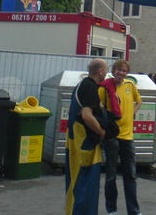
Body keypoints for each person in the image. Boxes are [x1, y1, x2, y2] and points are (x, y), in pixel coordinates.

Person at [99, 60, 142, 215]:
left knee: (130, 175)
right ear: (113, 71)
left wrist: (133, 111)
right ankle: (112, 209)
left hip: (127, 136)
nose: (121, 73)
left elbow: (139, 100)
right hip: (112, 136)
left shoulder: (130, 86)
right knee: (111, 175)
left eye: (124, 71)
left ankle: (134, 210)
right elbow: (98, 107)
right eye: (119, 70)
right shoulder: (104, 87)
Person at [65, 59, 107, 215]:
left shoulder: (80, 85)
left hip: (75, 140)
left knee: (75, 182)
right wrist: (103, 133)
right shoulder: (90, 87)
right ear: (100, 71)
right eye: (106, 70)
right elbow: (87, 116)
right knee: (84, 185)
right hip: (85, 143)